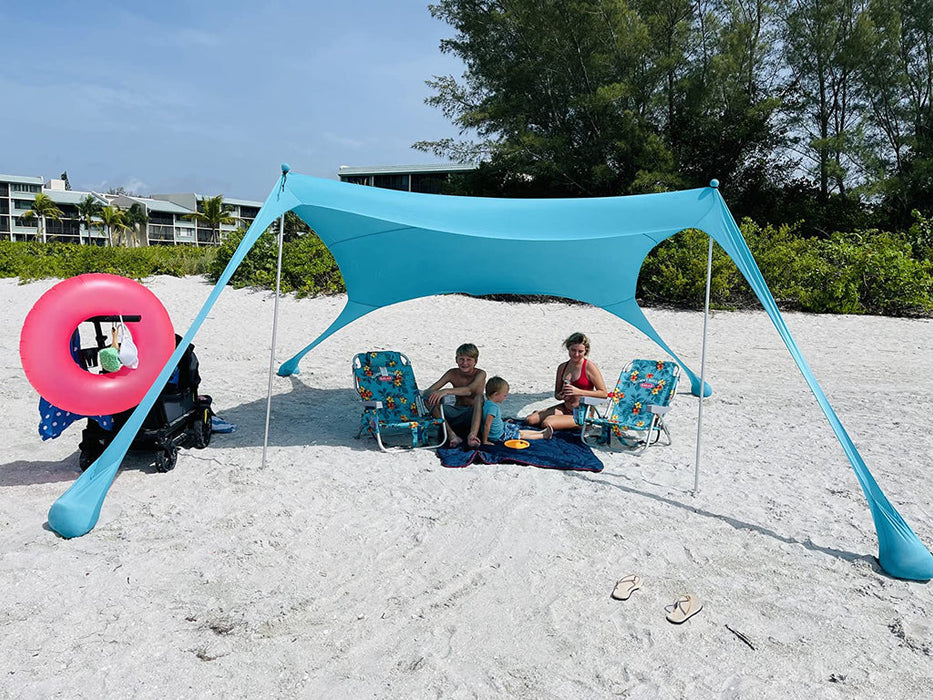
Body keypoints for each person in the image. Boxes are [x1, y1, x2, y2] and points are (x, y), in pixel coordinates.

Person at [525, 331, 608, 431]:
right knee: (530, 420)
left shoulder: (589, 367)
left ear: (585, 351)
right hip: (566, 407)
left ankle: (581, 424)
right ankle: (550, 416)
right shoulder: (562, 367)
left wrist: (579, 392)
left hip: (582, 413)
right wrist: (561, 396)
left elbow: (603, 393)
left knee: (547, 423)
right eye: (573, 350)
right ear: (568, 348)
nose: (576, 354)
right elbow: (557, 394)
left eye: (580, 351)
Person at [423, 343, 486, 448]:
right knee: (428, 399)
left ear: (476, 361)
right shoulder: (452, 373)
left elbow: (469, 390)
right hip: (457, 411)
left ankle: (472, 435)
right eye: (461, 359)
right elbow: (427, 391)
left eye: (469, 360)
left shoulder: (481, 374)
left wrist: (446, 391)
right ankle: (451, 435)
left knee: (479, 398)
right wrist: (435, 395)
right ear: (456, 360)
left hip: (474, 413)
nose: (464, 363)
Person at [481, 376, 552, 445]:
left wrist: (501, 423)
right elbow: (487, 425)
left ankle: (541, 432)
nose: (505, 398)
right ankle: (543, 435)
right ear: (496, 394)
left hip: (499, 430)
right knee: (521, 435)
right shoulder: (492, 408)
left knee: (519, 431)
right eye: (504, 395)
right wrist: (485, 441)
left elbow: (492, 421)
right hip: (498, 436)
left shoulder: (488, 404)